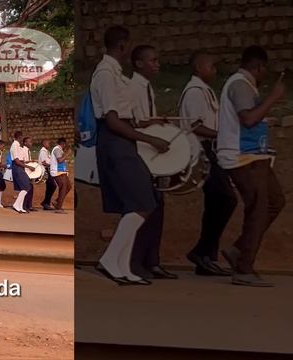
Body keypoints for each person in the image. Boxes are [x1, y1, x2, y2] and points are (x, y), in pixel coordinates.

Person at [90, 26, 170, 285]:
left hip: (122, 140)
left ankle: (121, 266)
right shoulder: (105, 74)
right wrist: (149, 139)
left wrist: (148, 125)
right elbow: (113, 121)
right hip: (115, 142)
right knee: (143, 203)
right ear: (123, 46)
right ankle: (110, 260)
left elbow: (124, 117)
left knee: (138, 205)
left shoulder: (115, 74)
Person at [216, 46, 286, 287]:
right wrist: (274, 97)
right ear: (258, 67)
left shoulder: (246, 85)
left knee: (276, 201)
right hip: (241, 157)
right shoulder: (239, 85)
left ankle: (238, 250)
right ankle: (244, 268)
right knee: (258, 208)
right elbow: (248, 119)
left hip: (255, 156)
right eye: (264, 69)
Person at [179, 51, 235, 276]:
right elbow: (195, 126)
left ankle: (206, 256)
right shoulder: (194, 92)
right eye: (211, 66)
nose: (214, 70)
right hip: (202, 151)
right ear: (199, 68)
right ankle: (202, 252)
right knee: (226, 199)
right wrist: (222, 135)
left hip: (211, 150)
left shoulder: (204, 91)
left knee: (217, 202)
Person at [128, 45, 177, 280]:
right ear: (139, 63)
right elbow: (132, 124)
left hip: (153, 155)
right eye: (153, 60)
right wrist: (151, 127)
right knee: (143, 207)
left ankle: (152, 261)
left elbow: (144, 120)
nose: (157, 64)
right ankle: (134, 261)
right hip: (141, 154)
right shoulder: (132, 88)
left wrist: (157, 120)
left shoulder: (146, 87)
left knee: (158, 207)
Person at [50, 138, 71, 214]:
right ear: (63, 144)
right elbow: (60, 160)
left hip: (62, 172)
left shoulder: (59, 150)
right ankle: (59, 208)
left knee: (68, 187)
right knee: (63, 188)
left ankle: (56, 202)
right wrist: (67, 154)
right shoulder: (57, 149)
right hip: (57, 172)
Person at [38, 139, 57, 210]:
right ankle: (45, 202)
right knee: (52, 185)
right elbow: (44, 163)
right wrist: (52, 165)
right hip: (45, 171)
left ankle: (46, 203)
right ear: (44, 143)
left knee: (50, 186)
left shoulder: (47, 152)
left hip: (48, 170)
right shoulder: (43, 151)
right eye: (48, 143)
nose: (49, 145)